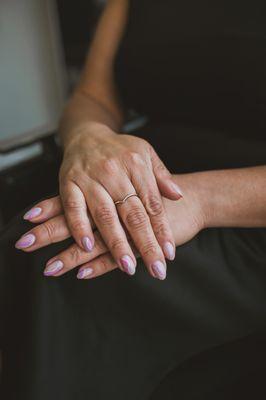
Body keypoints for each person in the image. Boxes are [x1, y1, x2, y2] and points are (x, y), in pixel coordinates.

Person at [3, 0, 266, 399]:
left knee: (58, 270)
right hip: (147, 164)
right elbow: (94, 95)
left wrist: (200, 200)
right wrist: (88, 136)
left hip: (247, 206)